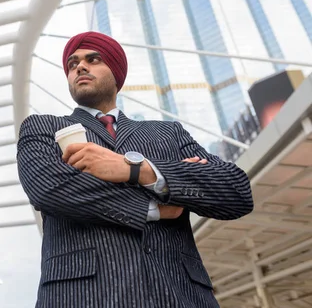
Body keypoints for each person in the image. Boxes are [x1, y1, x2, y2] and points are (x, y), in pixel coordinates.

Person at [16, 31, 254, 308]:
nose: (80, 66)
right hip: (82, 296)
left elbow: (236, 190)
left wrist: (138, 170)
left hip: (179, 295)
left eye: (93, 59)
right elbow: (50, 189)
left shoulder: (168, 133)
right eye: (72, 64)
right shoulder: (43, 127)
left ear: (116, 72)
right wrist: (157, 206)